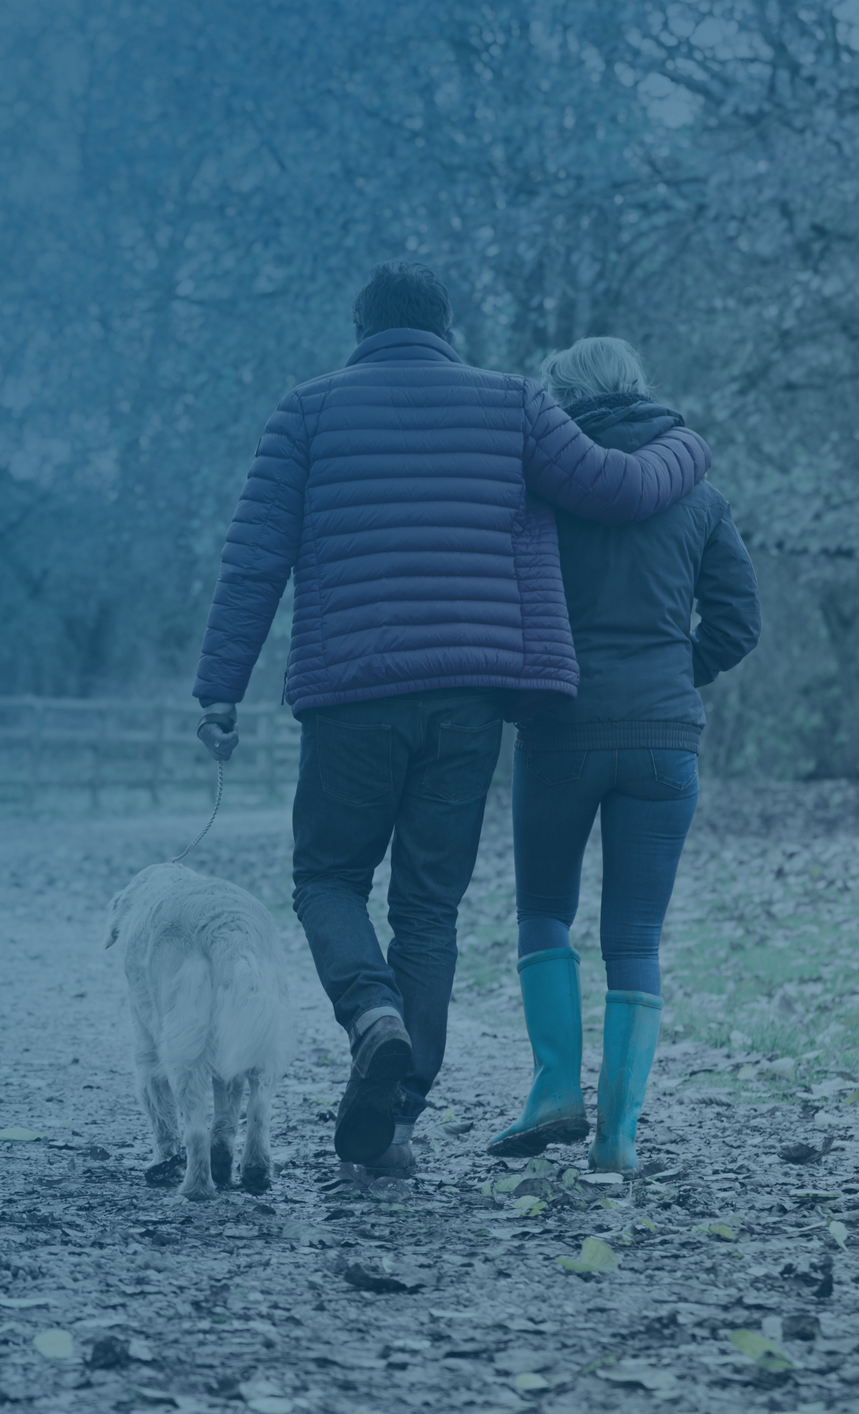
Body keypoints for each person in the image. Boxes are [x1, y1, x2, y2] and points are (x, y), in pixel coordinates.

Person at [193, 265, 712, 1179]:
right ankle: (396, 1122)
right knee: (428, 907)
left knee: (325, 875)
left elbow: (252, 562)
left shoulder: (306, 413)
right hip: (473, 697)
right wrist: (690, 448)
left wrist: (218, 692)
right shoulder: (513, 404)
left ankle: (372, 1018)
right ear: (446, 326)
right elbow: (622, 489)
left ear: (362, 327)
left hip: (350, 693)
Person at [488, 336, 760, 1173]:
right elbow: (738, 625)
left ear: (561, 400)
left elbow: (506, 605)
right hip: (664, 740)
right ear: (641, 387)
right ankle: (618, 1137)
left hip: (562, 731)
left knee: (544, 911)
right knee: (634, 936)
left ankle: (555, 1087)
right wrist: (677, 674)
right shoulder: (701, 497)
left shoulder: (542, 493)